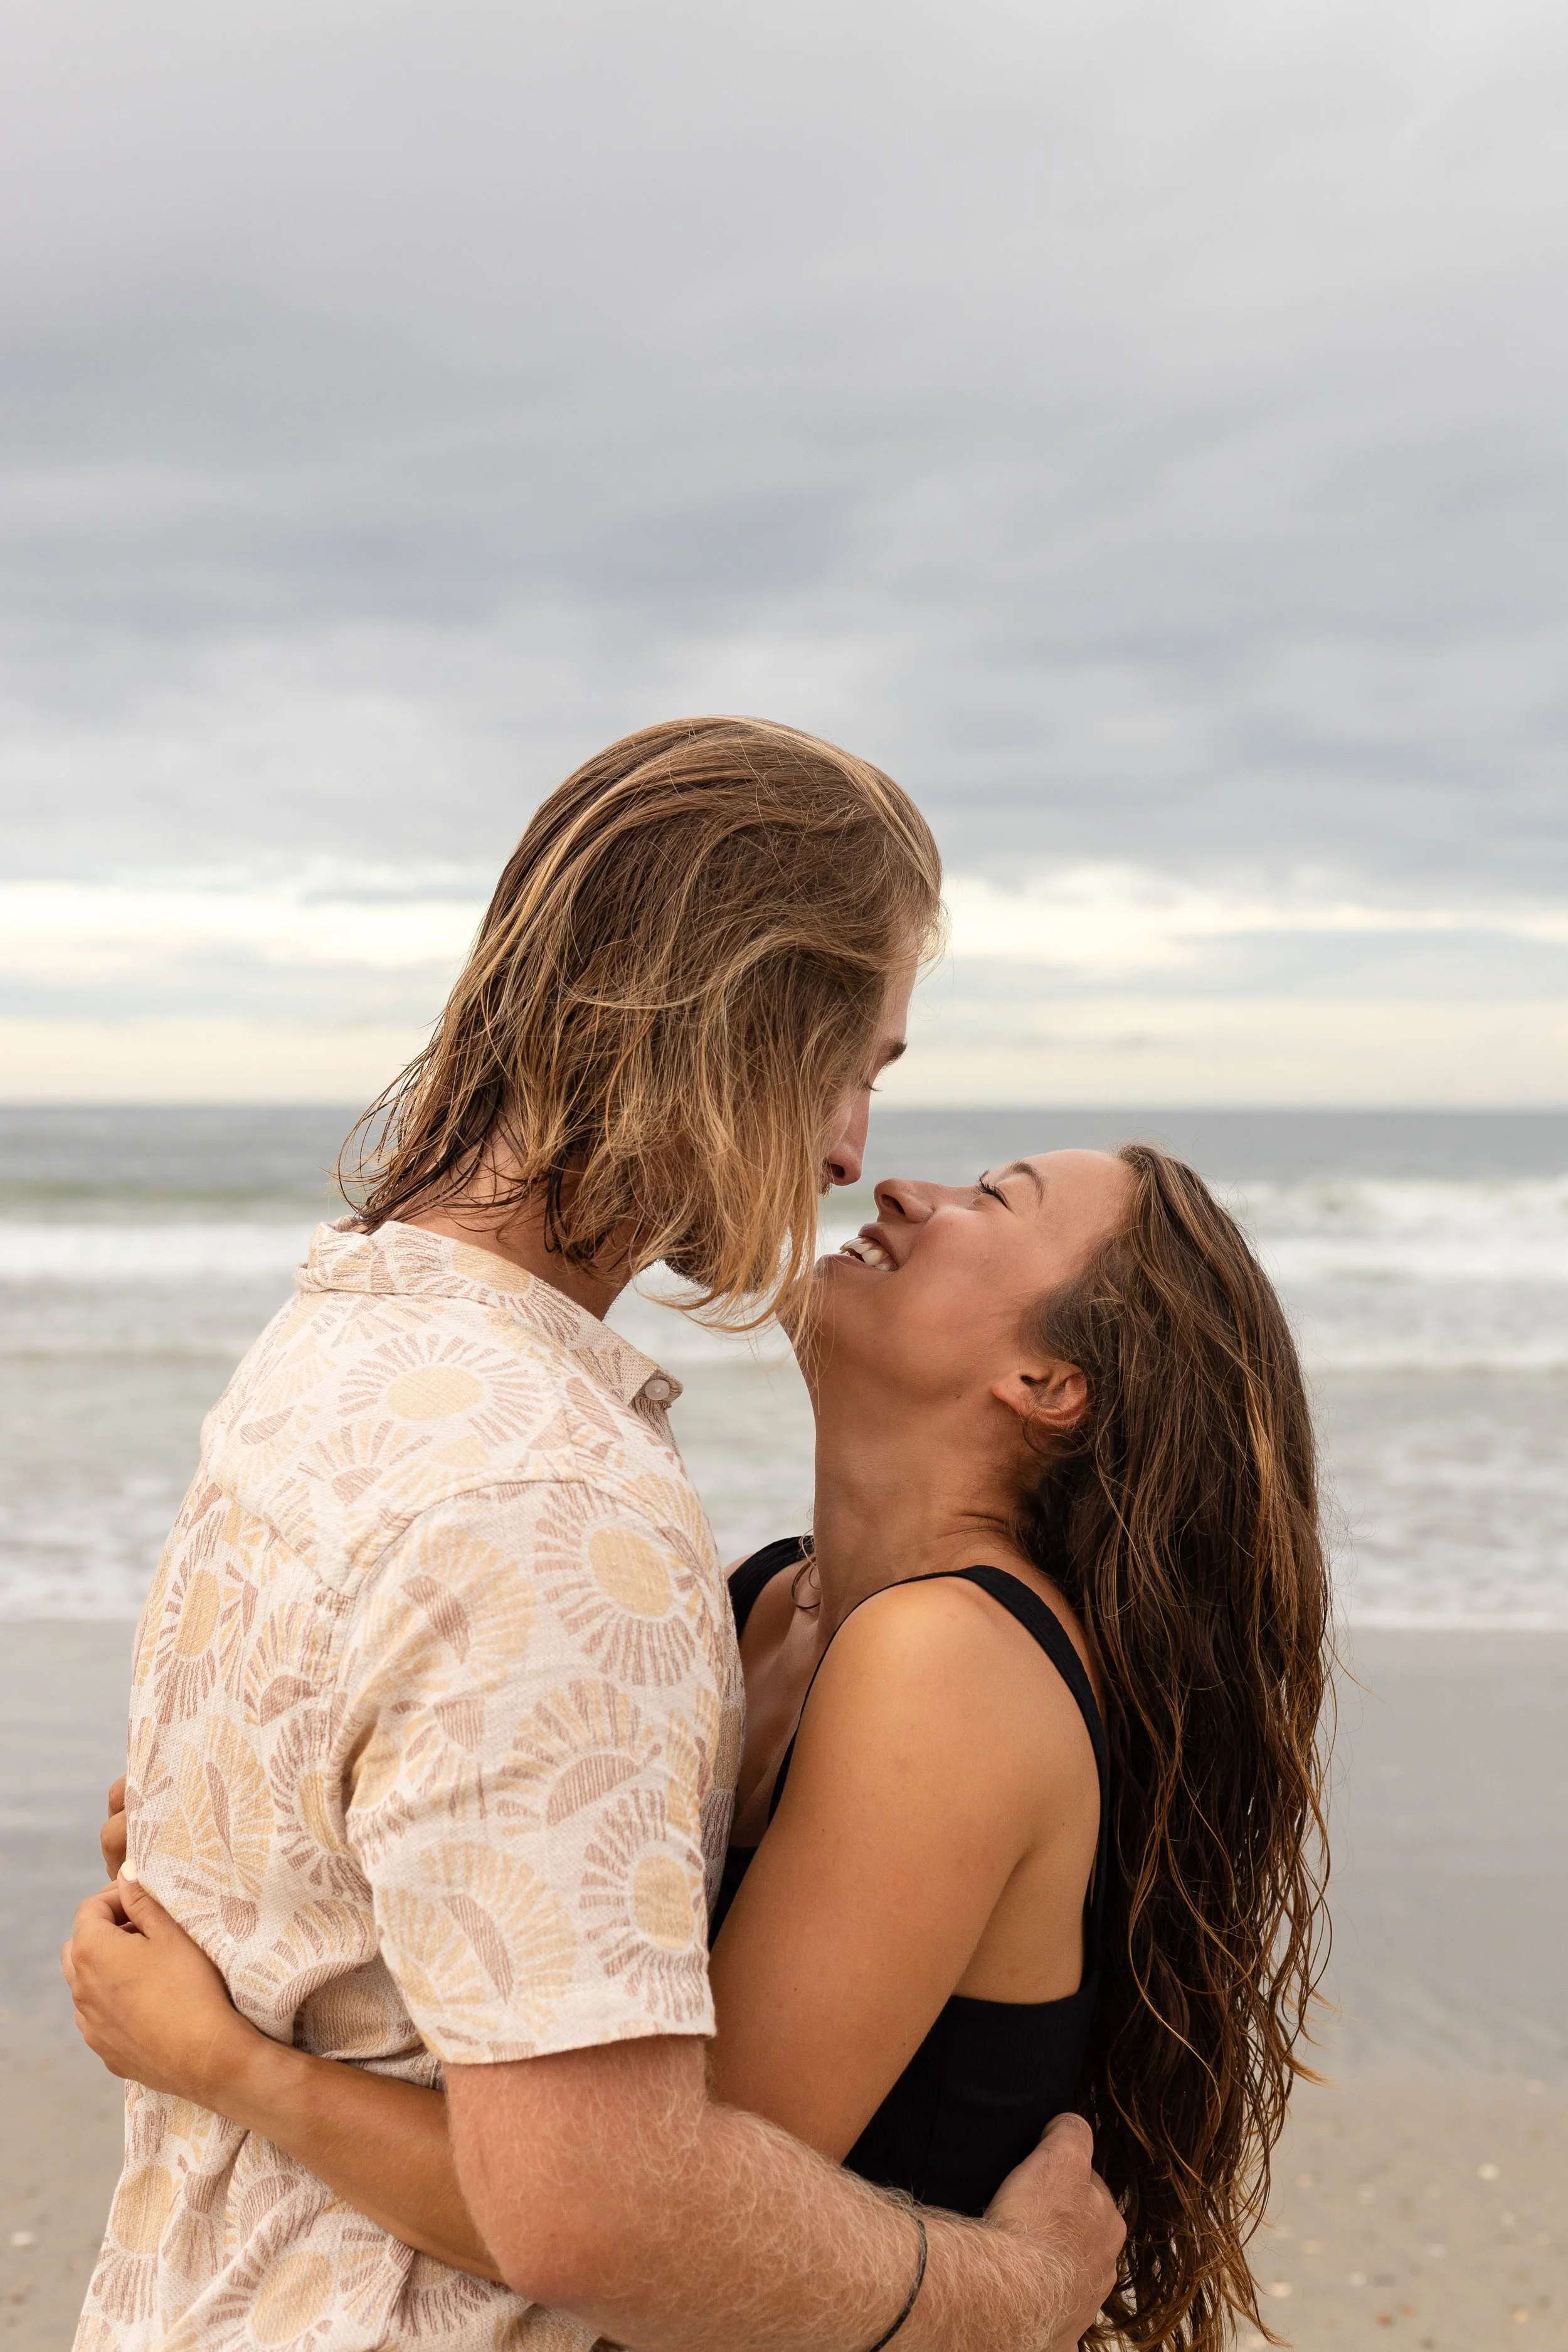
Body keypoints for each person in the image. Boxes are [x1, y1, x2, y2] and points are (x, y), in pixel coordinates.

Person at [62, 714, 1125, 2352]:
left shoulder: (340, 1341)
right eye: (858, 1064)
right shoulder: (552, 1498)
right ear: (753, 1018)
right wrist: (1009, 2292)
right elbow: (599, 2209)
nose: (851, 1150)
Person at [71, 1134, 1331, 2348]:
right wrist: (270, 1861)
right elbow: (524, 1951)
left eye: (992, 1200)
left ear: (1047, 1385)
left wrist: (225, 2063)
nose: (899, 1184)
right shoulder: (768, 1598)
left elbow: (658, 2227)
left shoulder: (951, 1663)